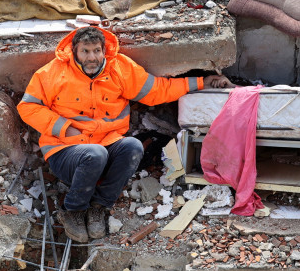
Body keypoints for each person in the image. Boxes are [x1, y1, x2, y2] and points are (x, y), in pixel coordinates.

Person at [17, 26, 232, 242]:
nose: (92, 57)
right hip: (65, 151)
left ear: (104, 51)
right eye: (85, 51)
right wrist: (64, 128)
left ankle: (99, 207)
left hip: (106, 146)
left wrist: (203, 82)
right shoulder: (52, 72)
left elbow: (157, 90)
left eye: (96, 51)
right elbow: (27, 107)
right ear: (75, 51)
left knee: (133, 147)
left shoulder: (119, 68)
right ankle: (73, 211)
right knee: (95, 154)